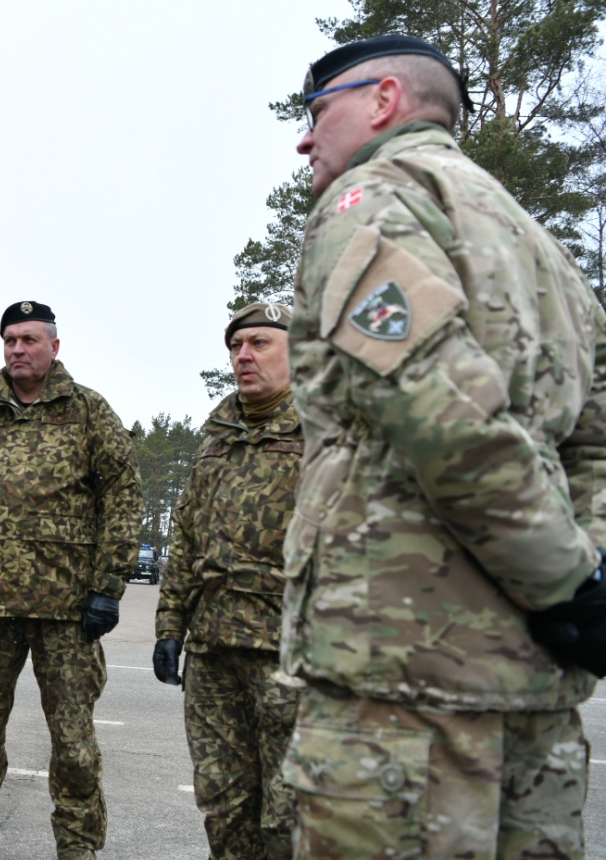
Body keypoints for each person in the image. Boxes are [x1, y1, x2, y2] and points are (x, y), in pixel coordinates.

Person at [283, 35, 604, 859]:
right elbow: (597, 446)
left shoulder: (373, 201)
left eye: (318, 112)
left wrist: (564, 582)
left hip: (401, 690)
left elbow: (440, 412)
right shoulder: (546, 250)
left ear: (384, 100)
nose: (305, 138)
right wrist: (586, 588)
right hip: (534, 690)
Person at [0, 301, 143, 860]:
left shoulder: (88, 410)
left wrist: (107, 583)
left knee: (72, 744)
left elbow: (123, 494)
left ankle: (78, 846)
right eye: (10, 340)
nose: (18, 349)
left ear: (54, 347)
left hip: (68, 610)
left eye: (29, 340)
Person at [152, 303, 301, 860]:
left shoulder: (330, 432)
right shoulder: (216, 436)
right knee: (224, 799)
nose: (243, 356)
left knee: (292, 808)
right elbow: (186, 536)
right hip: (214, 650)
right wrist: (170, 626)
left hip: (291, 648)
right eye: (236, 347)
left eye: (260, 343)